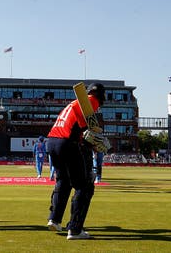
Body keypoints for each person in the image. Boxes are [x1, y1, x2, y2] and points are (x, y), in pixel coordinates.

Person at [46, 83, 105, 240]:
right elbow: (87, 131)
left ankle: (54, 219)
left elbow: (81, 129)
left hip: (52, 141)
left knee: (64, 181)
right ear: (100, 95)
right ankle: (75, 229)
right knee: (84, 186)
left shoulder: (74, 102)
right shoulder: (91, 100)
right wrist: (96, 143)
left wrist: (91, 141)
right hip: (66, 142)